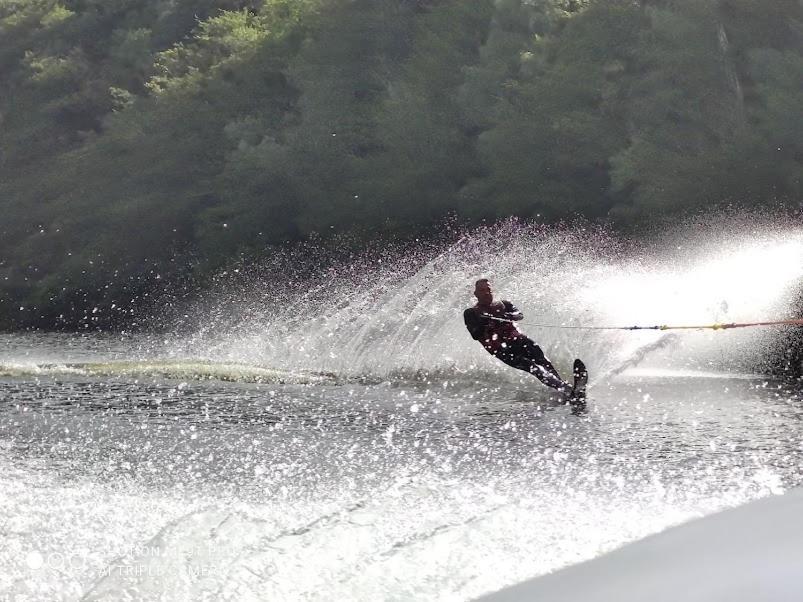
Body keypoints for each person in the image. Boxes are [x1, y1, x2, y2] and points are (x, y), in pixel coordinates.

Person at [464, 278, 575, 398]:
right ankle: (564, 388)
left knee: (542, 360)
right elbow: (475, 335)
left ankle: (562, 387)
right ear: (476, 294)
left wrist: (506, 315)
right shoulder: (471, 313)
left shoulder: (504, 304)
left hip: (519, 341)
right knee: (532, 367)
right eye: (482, 290)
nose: (486, 293)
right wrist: (484, 322)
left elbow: (519, 315)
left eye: (488, 290)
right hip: (501, 350)